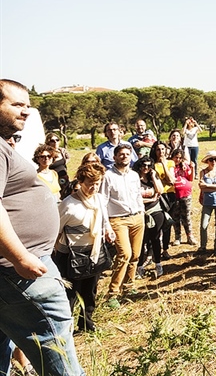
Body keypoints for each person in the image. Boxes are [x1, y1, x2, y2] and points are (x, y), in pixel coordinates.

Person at [0, 78, 86, 376]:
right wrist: (20, 257)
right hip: (19, 270)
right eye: (16, 104)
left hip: (16, 267)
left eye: (27, 105)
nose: (25, 111)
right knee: (55, 345)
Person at [53, 161, 114, 332]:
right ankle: (66, 327)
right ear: (80, 182)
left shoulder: (99, 200)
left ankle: (86, 322)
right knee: (69, 293)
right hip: (70, 255)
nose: (94, 188)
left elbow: (104, 219)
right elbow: (55, 229)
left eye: (97, 183)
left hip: (93, 251)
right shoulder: (68, 205)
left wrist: (108, 230)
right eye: (90, 184)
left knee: (90, 291)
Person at [100, 143, 145, 308]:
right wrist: (106, 226)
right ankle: (113, 292)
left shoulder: (134, 175)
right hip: (118, 220)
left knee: (135, 255)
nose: (124, 156)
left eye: (127, 154)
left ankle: (129, 286)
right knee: (124, 254)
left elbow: (138, 196)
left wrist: (142, 212)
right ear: (114, 157)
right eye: (121, 154)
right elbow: (102, 201)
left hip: (137, 218)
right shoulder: (108, 176)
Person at [133, 158, 165, 279]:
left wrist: (153, 176)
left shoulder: (152, 177)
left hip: (155, 211)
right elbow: (134, 197)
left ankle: (158, 264)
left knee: (155, 239)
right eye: (143, 165)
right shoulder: (134, 179)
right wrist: (151, 199)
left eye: (148, 165)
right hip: (140, 212)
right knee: (141, 241)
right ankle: (140, 267)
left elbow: (160, 191)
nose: (146, 168)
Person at [197, 150, 216, 256]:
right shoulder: (203, 172)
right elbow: (201, 187)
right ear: (207, 161)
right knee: (204, 225)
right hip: (207, 202)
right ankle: (203, 246)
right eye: (211, 159)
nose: (214, 161)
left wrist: (207, 186)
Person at [150, 141, 176, 257]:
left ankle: (165, 249)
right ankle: (153, 249)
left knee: (167, 223)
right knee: (157, 224)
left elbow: (171, 180)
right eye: (158, 149)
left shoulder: (170, 162)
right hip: (157, 196)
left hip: (170, 196)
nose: (161, 152)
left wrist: (164, 164)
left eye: (162, 149)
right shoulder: (151, 164)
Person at [170, 148, 196, 245]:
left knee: (186, 216)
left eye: (180, 158)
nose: (177, 160)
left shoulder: (184, 166)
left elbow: (190, 178)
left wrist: (192, 168)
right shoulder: (170, 166)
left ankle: (189, 235)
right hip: (174, 195)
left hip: (186, 194)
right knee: (175, 216)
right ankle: (178, 237)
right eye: (176, 157)